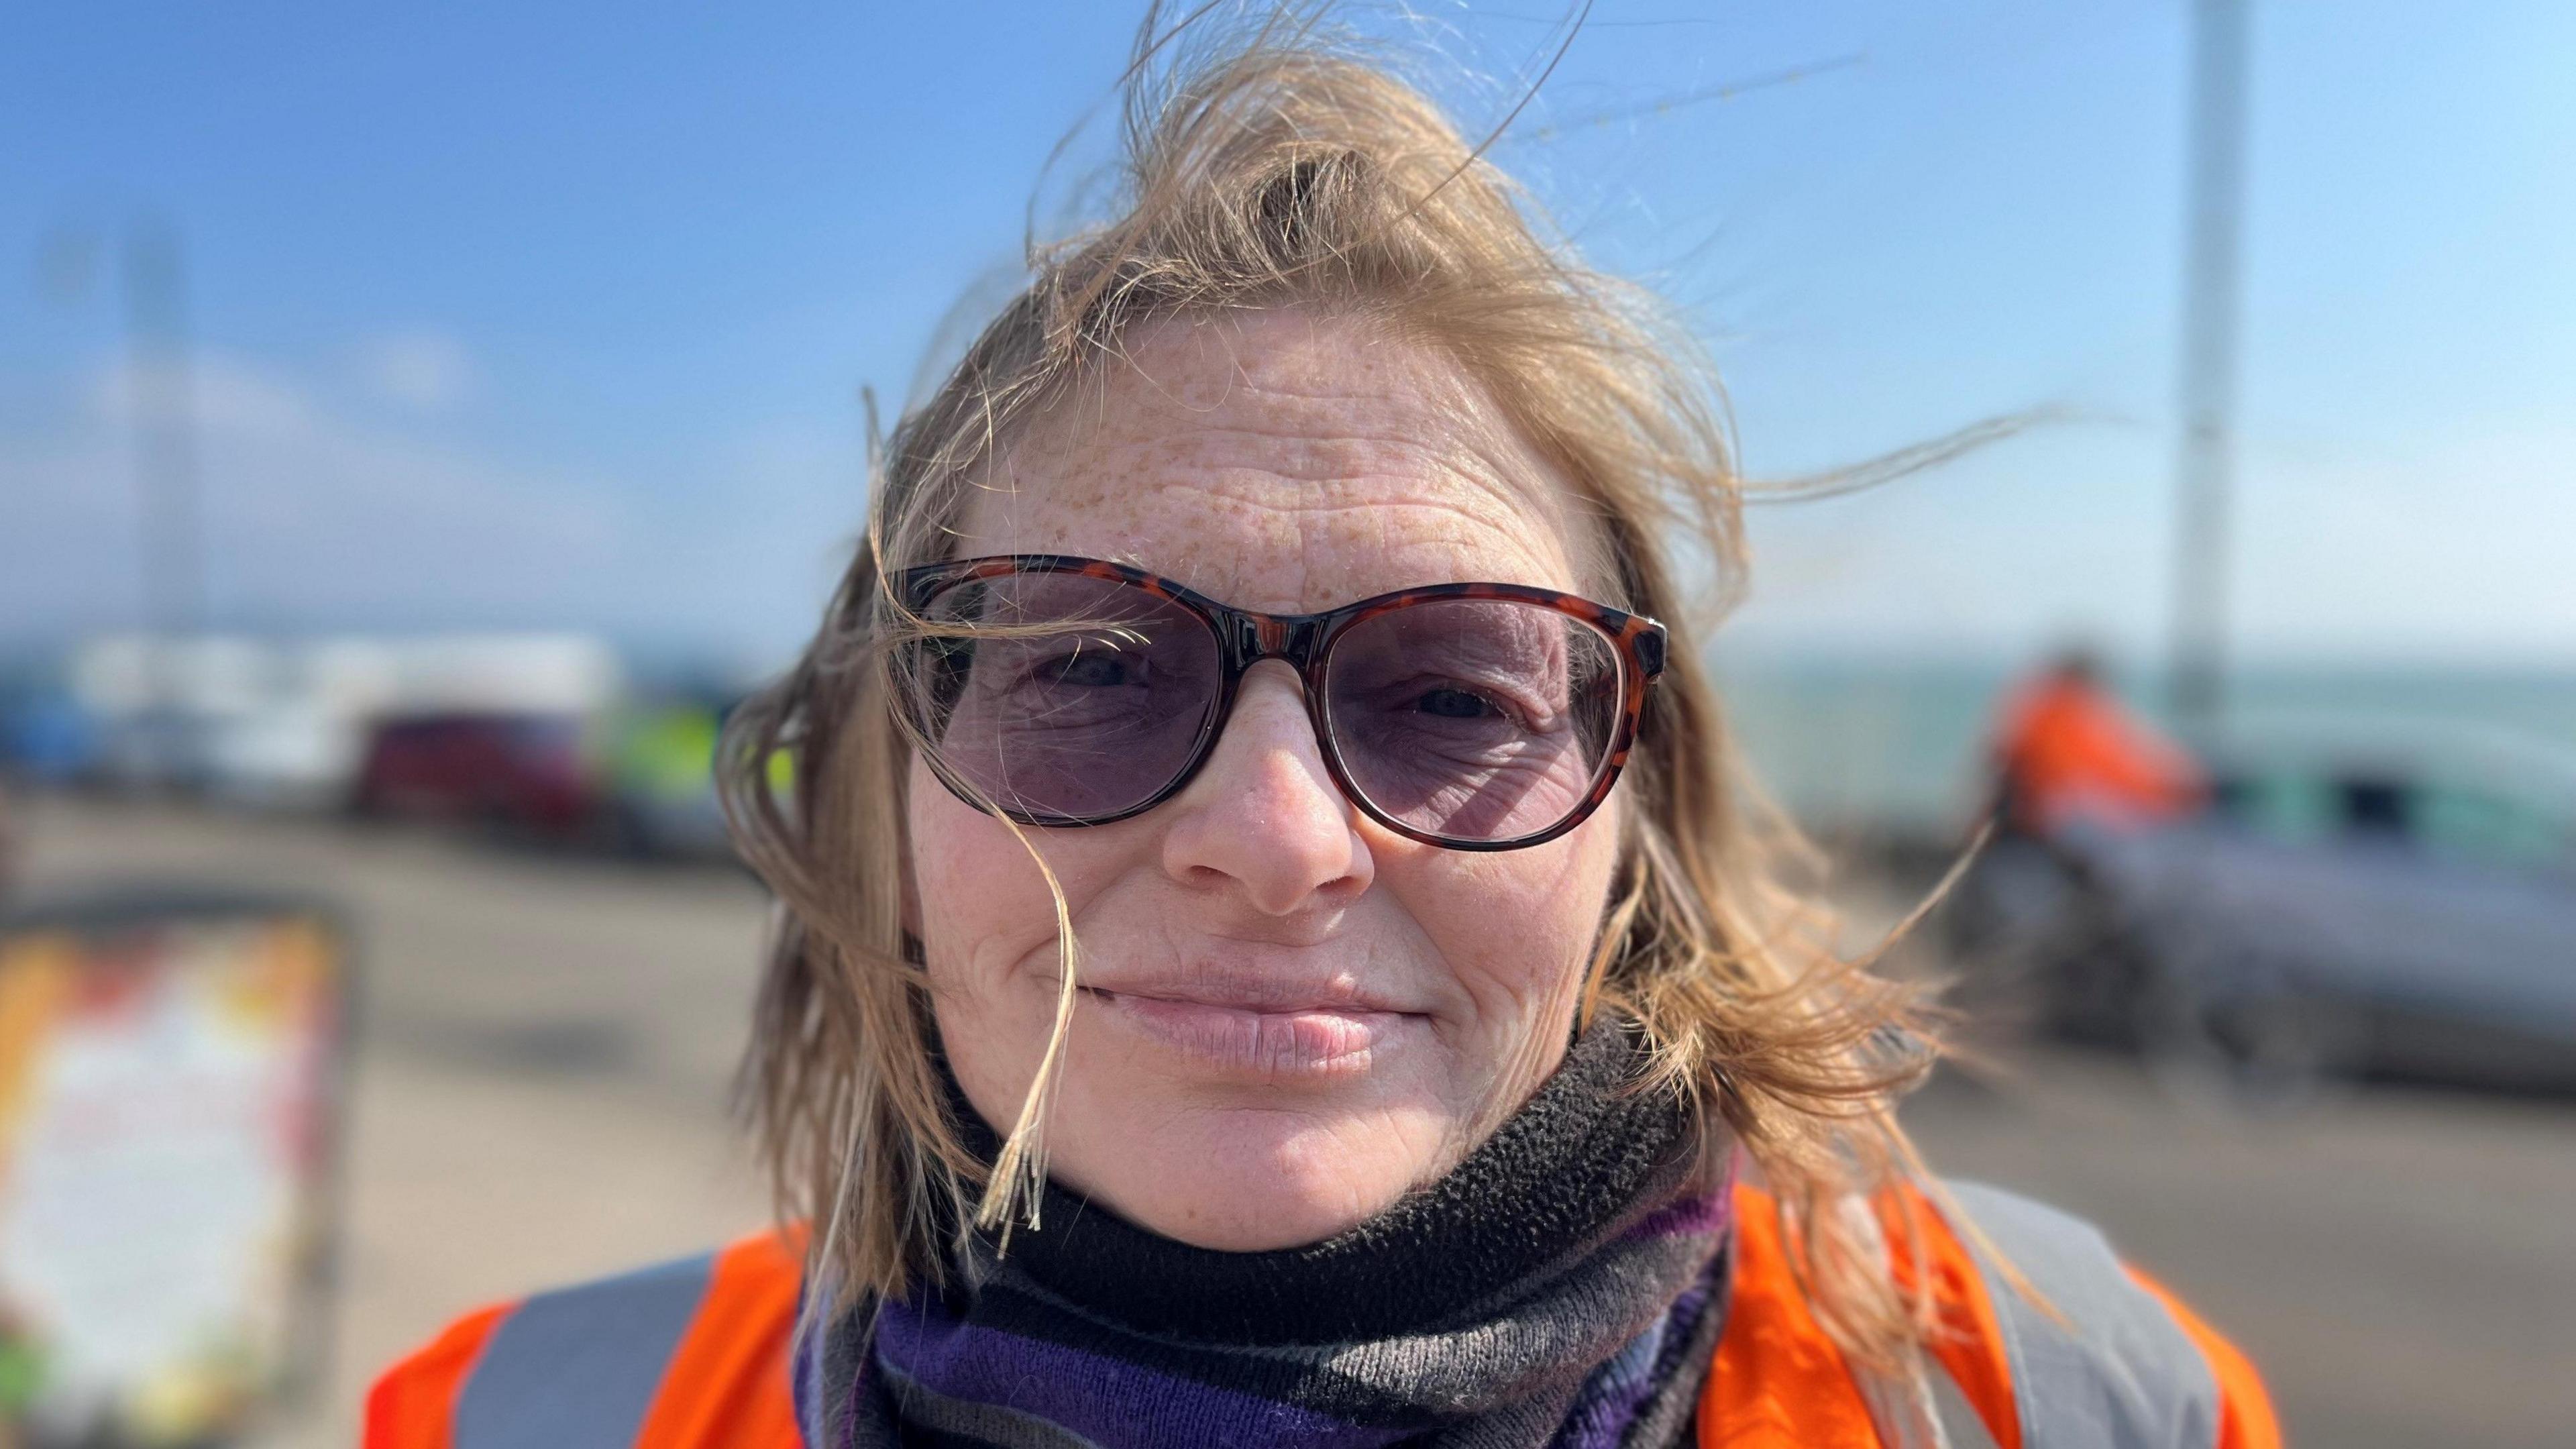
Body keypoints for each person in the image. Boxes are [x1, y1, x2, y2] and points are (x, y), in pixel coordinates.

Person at [368, 13, 2279, 1448]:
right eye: (1088, 669)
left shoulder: (2057, 1392)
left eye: (1458, 694)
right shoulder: (515, 1415)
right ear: (883, 792)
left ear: (1638, 826)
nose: (1276, 838)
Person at [1991, 649, 2208, 839]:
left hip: (2048, 824)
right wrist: (2181, 796)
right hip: (2069, 829)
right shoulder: (2064, 720)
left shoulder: (2041, 717)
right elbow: (2120, 779)